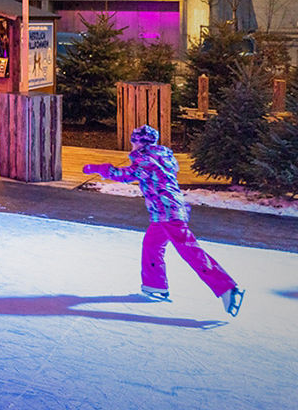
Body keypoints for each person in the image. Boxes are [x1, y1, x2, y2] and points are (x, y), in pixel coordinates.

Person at [83, 125, 245, 316]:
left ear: (139, 142)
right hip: (164, 213)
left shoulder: (146, 159)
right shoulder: (161, 157)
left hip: (168, 213)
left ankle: (226, 287)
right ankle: (155, 285)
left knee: (189, 250)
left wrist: (101, 169)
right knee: (151, 245)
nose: (132, 144)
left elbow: (126, 175)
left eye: (134, 141)